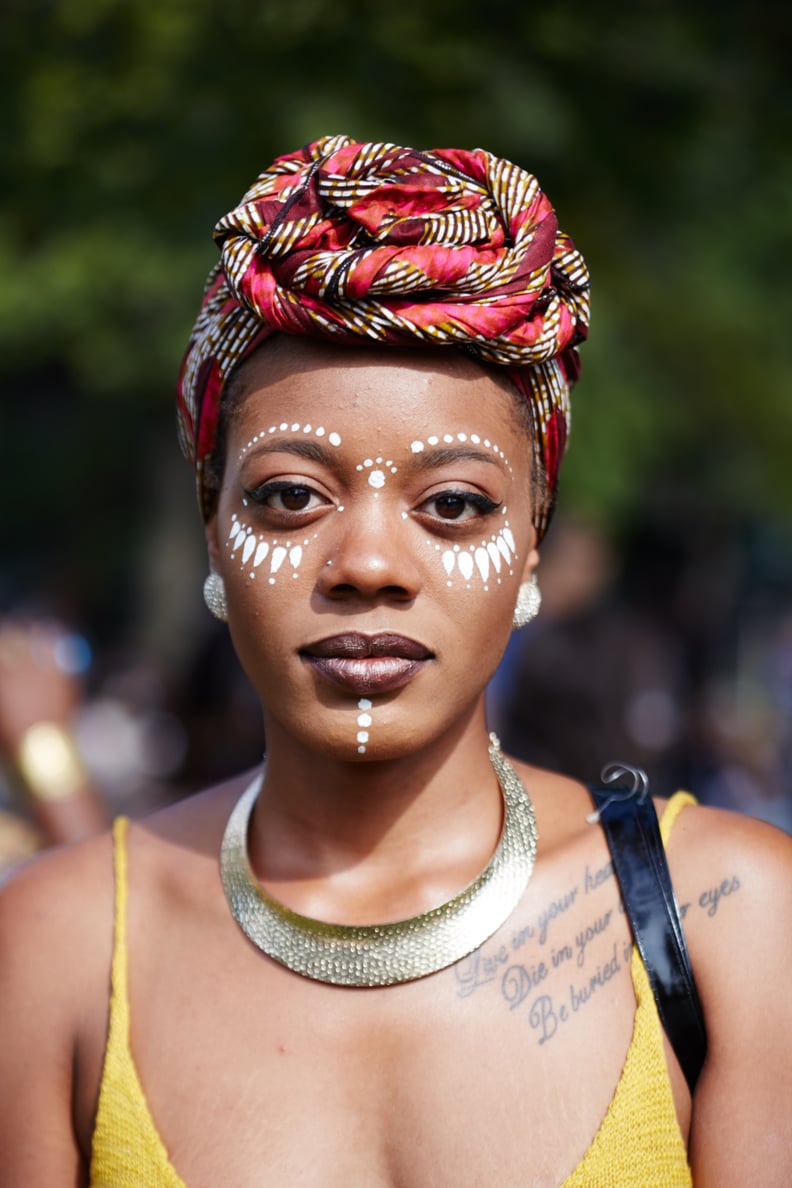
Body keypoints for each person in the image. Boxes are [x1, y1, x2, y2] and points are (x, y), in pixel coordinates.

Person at [1, 135, 790, 1187]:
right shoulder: (51, 953)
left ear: (532, 549)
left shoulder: (727, 924)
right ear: (211, 532)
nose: (369, 564)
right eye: (289, 496)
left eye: (454, 506)